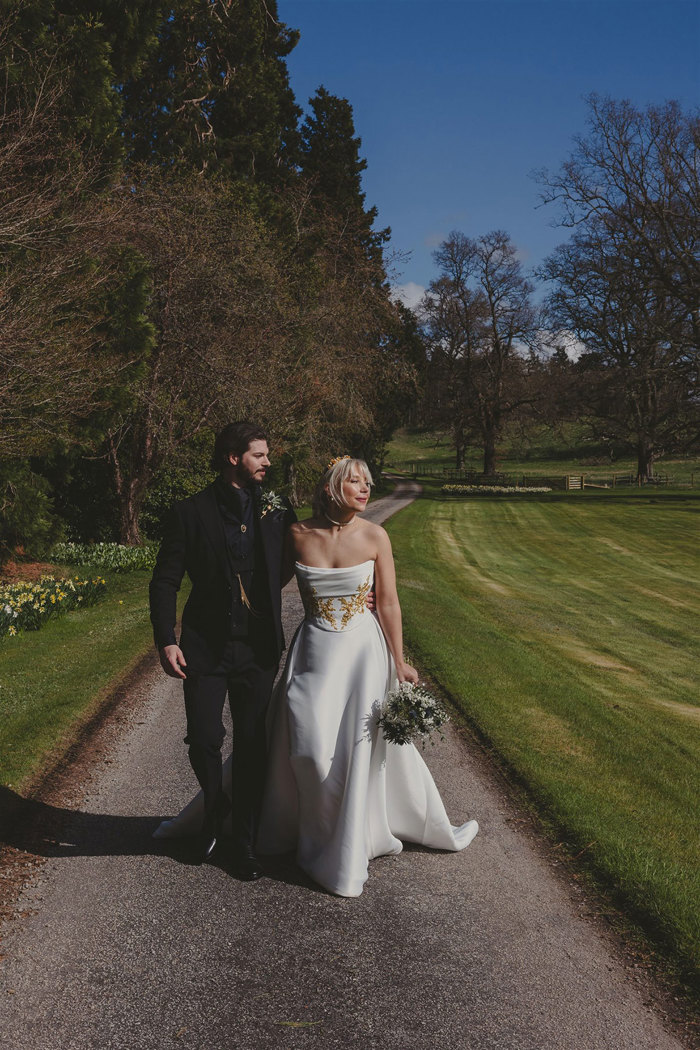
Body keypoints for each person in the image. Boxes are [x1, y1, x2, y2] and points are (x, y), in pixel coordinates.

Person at [155, 455, 478, 897]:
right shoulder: (297, 534)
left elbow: (388, 603)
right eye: (354, 482)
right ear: (330, 488)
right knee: (307, 747)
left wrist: (399, 662)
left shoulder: (376, 536)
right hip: (314, 653)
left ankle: (338, 846)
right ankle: (303, 825)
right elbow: (265, 589)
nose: (365, 489)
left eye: (367, 482)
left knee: (353, 749)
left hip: (364, 654)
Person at [149, 421, 296, 880]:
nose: (268, 462)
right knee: (204, 738)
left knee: (253, 746)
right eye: (260, 454)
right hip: (204, 647)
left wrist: (358, 588)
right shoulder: (189, 512)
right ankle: (217, 804)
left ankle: (244, 844)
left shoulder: (277, 510)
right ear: (234, 457)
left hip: (258, 650)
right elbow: (165, 579)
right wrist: (167, 639)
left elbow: (306, 559)